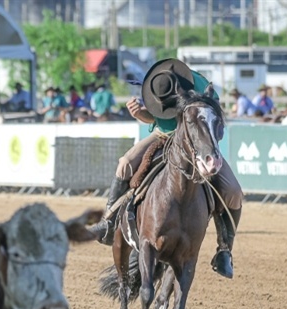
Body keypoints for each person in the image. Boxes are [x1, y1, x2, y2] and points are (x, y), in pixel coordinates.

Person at [90, 59, 243, 279]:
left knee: (234, 193)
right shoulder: (155, 86)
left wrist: (206, 140)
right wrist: (139, 114)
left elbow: (216, 118)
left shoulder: (199, 84)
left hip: (197, 139)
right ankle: (109, 222)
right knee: (125, 163)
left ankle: (224, 250)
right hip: (163, 134)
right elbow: (155, 119)